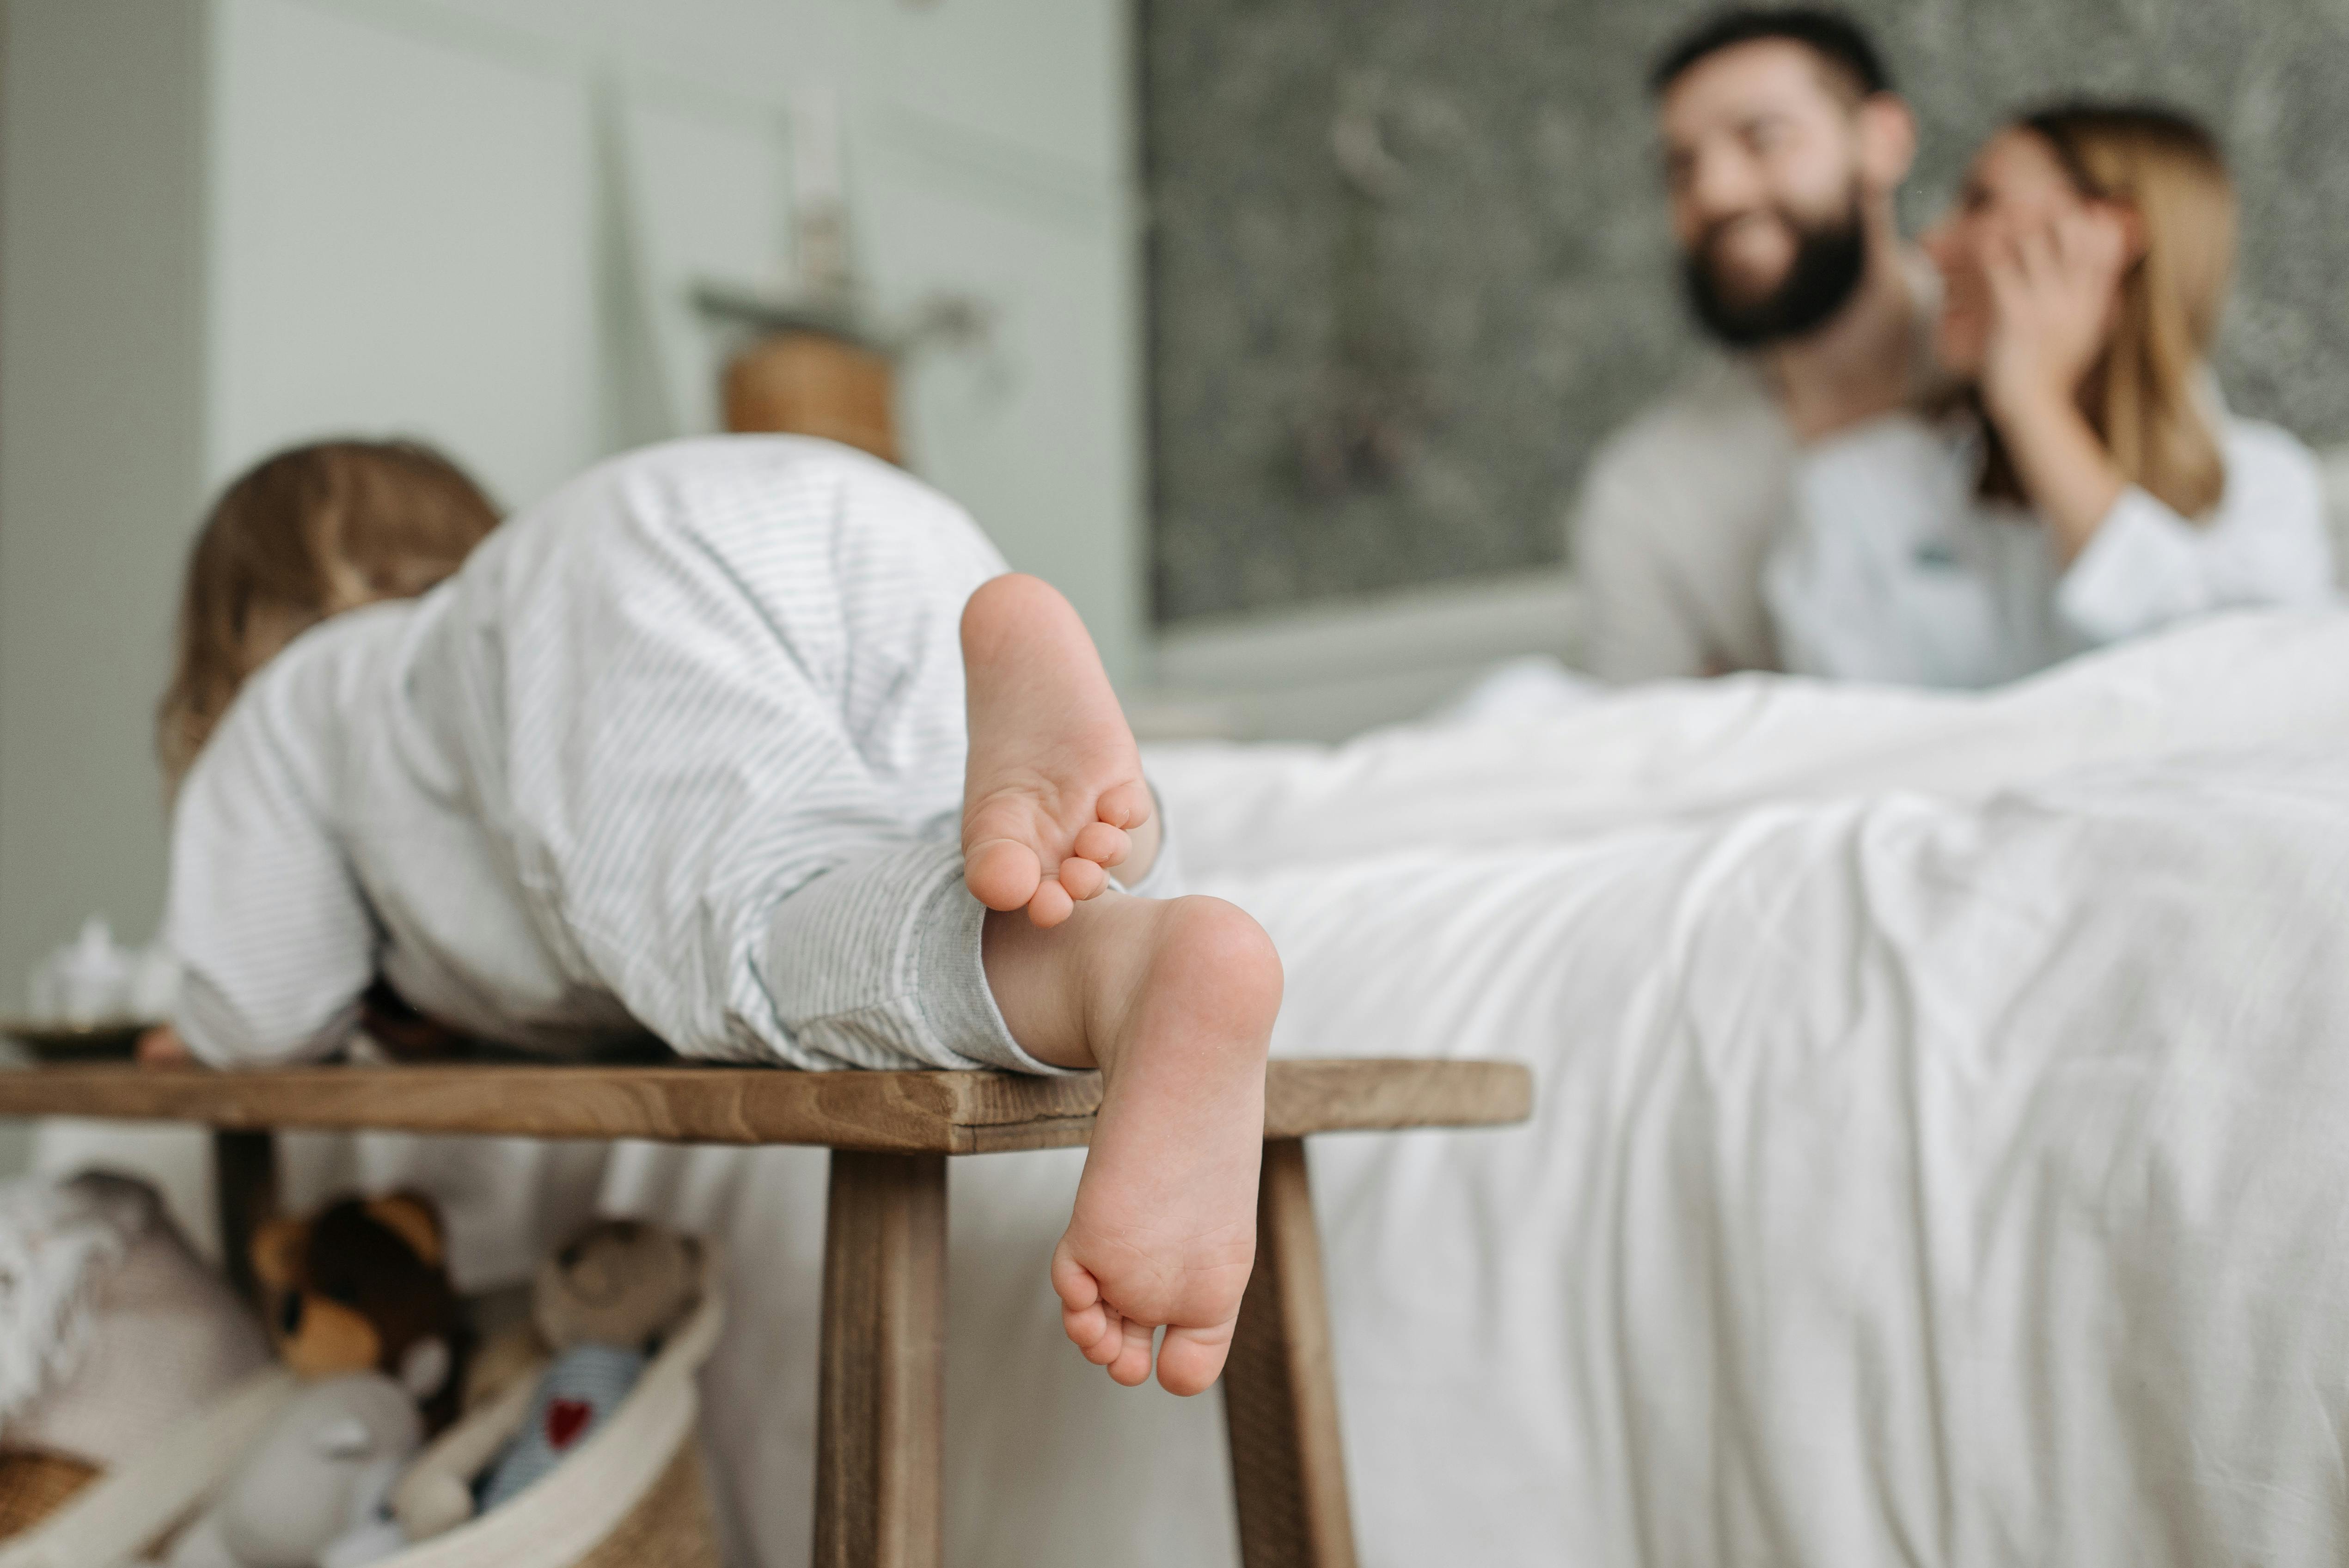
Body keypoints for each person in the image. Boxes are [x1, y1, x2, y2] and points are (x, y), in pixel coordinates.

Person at [157, 434, 1282, 1397]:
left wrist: (204, 1027)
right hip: (845, 516)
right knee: (1035, 863)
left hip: (620, 573)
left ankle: (1122, 977)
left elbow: (262, 1001)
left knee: (773, 923)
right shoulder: (489, 626)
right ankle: (1123, 873)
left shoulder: (310, 691)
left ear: (236, 645)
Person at [1764, 105, 2337, 686]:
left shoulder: (2265, 490)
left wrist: (2034, 406)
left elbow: (2246, 699)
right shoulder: (1850, 492)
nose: (1933, 247)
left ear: (2110, 237)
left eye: (1982, 202)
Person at [1572, 6, 1937, 683]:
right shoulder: (1646, 492)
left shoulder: (2053, 360)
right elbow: (1652, 757)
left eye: (1762, 139)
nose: (1715, 192)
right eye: (1681, 168)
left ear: (1883, 141)